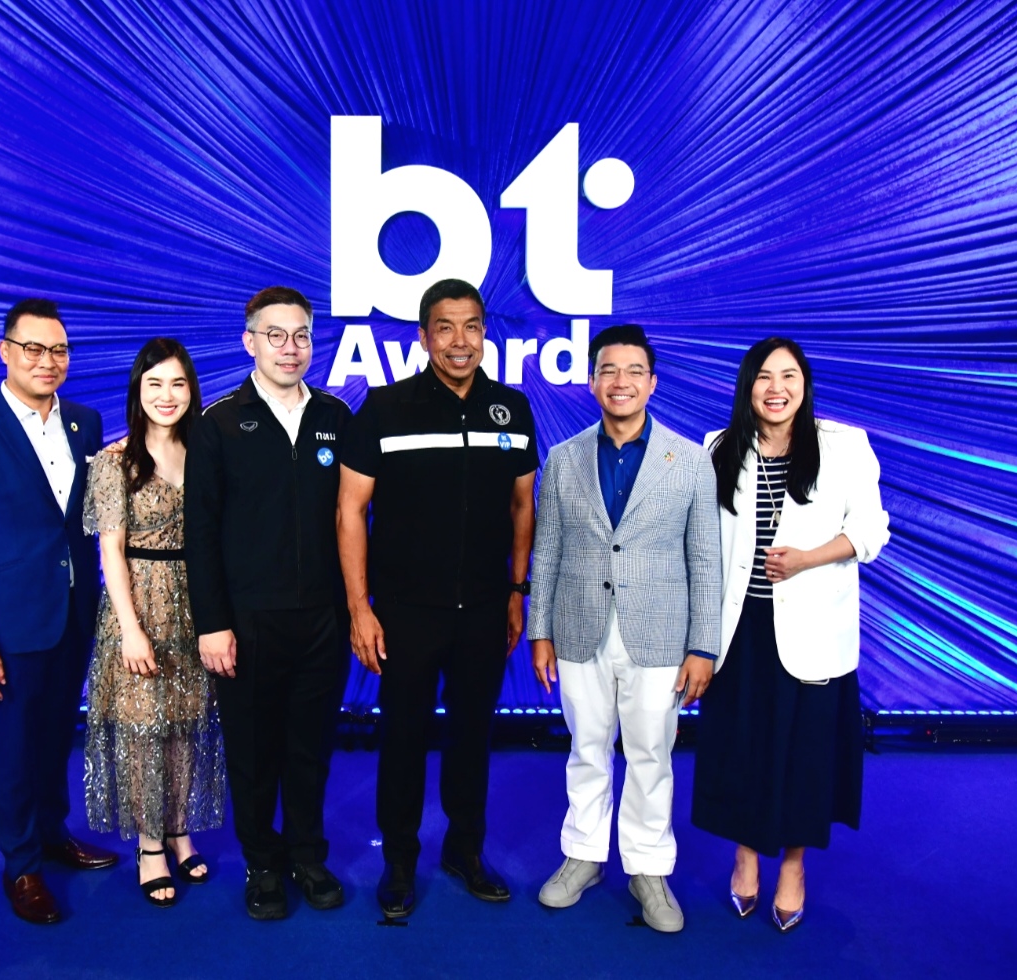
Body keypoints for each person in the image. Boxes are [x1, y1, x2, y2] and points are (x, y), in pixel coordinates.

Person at [336, 278, 537, 919]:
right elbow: (350, 512)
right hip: (404, 611)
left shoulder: (511, 409)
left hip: (484, 607)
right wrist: (360, 608)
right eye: (445, 327)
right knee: (403, 736)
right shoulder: (385, 408)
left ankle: (464, 851)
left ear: (485, 333)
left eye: (471, 326)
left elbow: (523, 506)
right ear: (424, 337)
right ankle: (399, 860)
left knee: (473, 735)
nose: (460, 340)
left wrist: (517, 591)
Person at [691, 337, 890, 932]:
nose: (776, 388)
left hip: (812, 631)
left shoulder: (843, 445)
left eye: (788, 376)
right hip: (740, 631)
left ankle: (795, 867)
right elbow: (703, 543)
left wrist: (808, 558)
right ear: (747, 386)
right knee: (742, 749)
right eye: (764, 377)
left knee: (805, 757)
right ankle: (745, 856)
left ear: (804, 384)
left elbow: (872, 531)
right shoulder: (719, 447)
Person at [528, 324, 721, 933]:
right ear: (591, 381)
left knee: (650, 754)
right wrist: (539, 631)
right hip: (578, 626)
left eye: (634, 371)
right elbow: (546, 549)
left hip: (661, 634)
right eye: (608, 370)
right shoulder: (564, 458)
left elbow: (706, 558)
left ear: (652, 382)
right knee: (586, 748)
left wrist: (703, 646)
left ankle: (648, 869)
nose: (621, 381)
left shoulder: (690, 461)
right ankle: (583, 855)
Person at [0, 298, 117, 925]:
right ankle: (22, 866)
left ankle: (52, 833)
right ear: (5, 352)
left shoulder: (85, 424)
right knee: (13, 746)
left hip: (74, 614)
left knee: (56, 733)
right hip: (10, 627)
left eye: (59, 350)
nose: (47, 361)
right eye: (33, 349)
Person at [185, 287, 354, 920]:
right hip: (247, 622)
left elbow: (354, 519)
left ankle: (307, 856)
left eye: (301, 335)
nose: (291, 348)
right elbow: (200, 535)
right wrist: (213, 625)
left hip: (323, 618)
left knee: (310, 748)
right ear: (249, 341)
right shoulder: (219, 423)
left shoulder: (336, 417)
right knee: (253, 752)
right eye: (276, 335)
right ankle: (261, 863)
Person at [83, 337, 227, 907]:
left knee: (186, 724)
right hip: (139, 605)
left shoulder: (207, 451)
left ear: (192, 390)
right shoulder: (114, 462)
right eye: (154, 384)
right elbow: (111, 552)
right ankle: (149, 847)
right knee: (144, 730)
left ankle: (178, 829)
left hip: (198, 605)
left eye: (177, 383)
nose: (167, 396)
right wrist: (131, 629)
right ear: (137, 391)